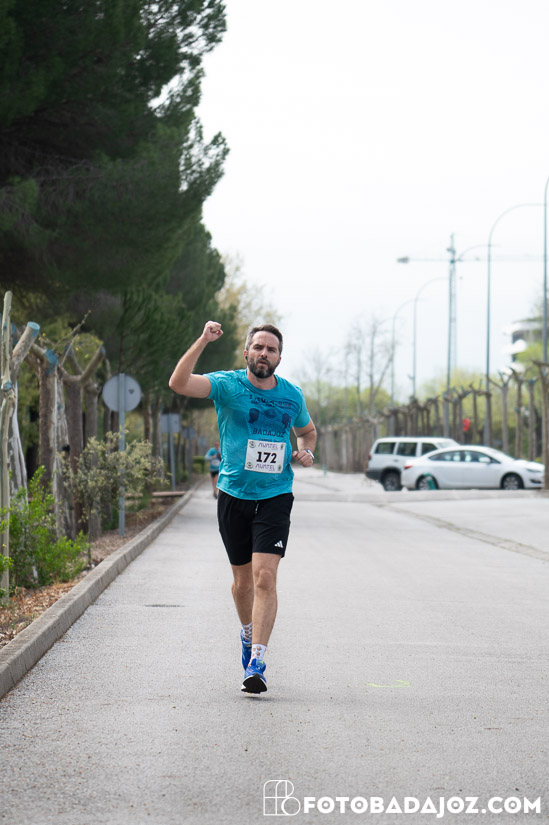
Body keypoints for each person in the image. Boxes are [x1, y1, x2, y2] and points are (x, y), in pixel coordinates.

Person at [169, 320, 316, 694]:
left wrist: (307, 451)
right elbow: (179, 383)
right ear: (247, 352)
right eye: (259, 347)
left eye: (272, 349)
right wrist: (202, 340)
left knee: (265, 577)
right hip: (233, 495)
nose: (264, 353)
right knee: (242, 583)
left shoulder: (292, 395)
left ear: (279, 357)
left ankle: (257, 662)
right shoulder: (227, 385)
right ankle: (248, 633)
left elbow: (307, 431)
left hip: (276, 495)